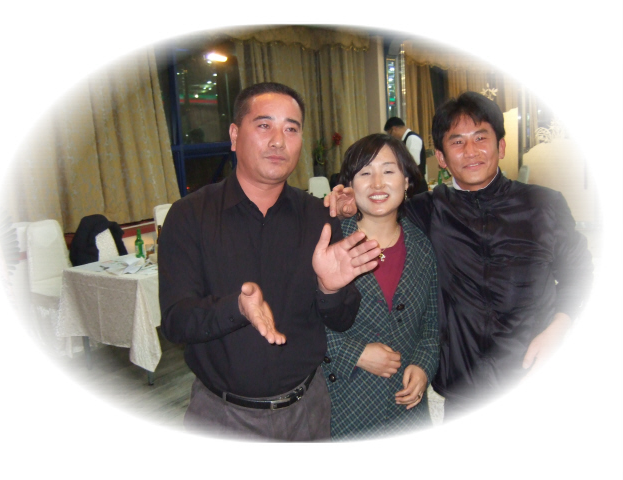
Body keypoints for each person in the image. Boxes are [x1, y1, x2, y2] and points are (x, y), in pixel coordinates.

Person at [326, 92, 593, 419]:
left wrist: (560, 327)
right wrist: (344, 209)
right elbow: (379, 209)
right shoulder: (427, 210)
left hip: (535, 374)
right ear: (441, 157)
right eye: (457, 142)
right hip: (465, 387)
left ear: (501, 146)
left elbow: (580, 273)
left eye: (481, 138)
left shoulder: (544, 205)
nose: (470, 151)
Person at [158, 82, 381, 441]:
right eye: (264, 125)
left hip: (309, 411)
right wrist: (236, 308)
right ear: (234, 135)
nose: (278, 141)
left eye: (291, 129)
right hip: (222, 419)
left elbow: (343, 319)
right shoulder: (189, 217)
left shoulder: (319, 217)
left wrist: (329, 289)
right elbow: (175, 321)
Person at [322, 134, 439, 440]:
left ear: (407, 181)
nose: (377, 184)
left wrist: (423, 366)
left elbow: (431, 324)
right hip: (345, 407)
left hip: (408, 414)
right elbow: (297, 319)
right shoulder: (329, 244)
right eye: (365, 173)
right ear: (349, 185)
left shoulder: (421, 246)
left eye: (388, 171)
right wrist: (355, 353)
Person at [384, 116, 428, 194]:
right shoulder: (405, 140)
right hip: (411, 183)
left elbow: (414, 161)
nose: (391, 137)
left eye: (390, 133)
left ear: (394, 129)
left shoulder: (412, 138)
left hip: (416, 184)